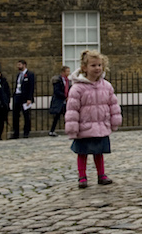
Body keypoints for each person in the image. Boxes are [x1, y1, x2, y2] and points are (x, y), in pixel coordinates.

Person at [65, 50, 122, 189]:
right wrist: (73, 128)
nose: (97, 68)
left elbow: (113, 105)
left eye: (99, 65)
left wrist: (115, 120)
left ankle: (101, 175)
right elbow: (72, 109)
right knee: (82, 153)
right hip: (84, 126)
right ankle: (82, 176)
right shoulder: (77, 88)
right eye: (93, 65)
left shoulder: (106, 86)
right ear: (84, 68)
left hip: (101, 125)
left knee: (99, 152)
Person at [11, 60, 36, 139]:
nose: (18, 66)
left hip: (25, 97)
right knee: (15, 115)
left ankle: (26, 132)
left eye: (19, 64)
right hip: (17, 96)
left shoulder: (30, 74)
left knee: (26, 115)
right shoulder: (18, 75)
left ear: (24, 65)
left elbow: (31, 87)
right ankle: (16, 133)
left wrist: (29, 98)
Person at [48, 66, 72, 137]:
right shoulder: (57, 80)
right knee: (57, 116)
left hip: (66, 101)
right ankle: (52, 131)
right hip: (59, 101)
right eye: (67, 71)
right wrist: (65, 96)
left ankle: (69, 130)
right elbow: (57, 91)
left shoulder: (68, 81)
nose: (69, 73)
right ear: (63, 72)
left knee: (67, 116)